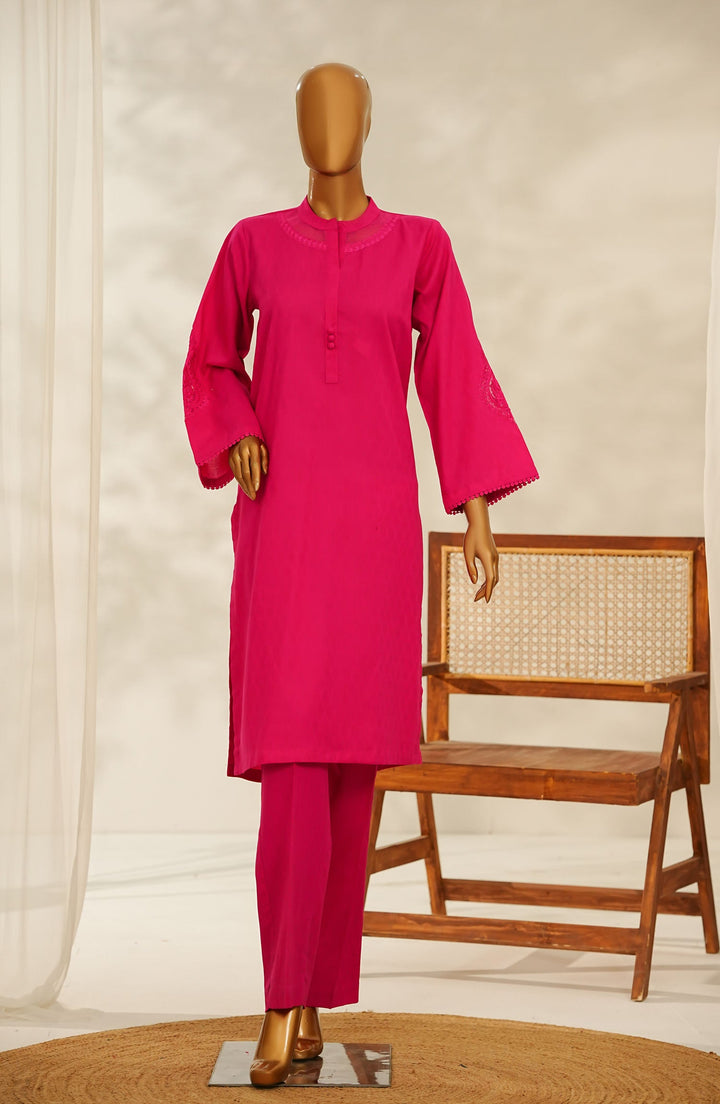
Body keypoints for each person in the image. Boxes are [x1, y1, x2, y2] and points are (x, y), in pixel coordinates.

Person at [182, 61, 539, 1087]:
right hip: (286, 529)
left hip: (375, 532)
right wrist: (238, 429)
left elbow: (453, 368)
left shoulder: (420, 245)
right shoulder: (252, 244)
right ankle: (277, 1000)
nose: (329, 124)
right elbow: (211, 359)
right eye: (312, 107)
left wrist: (475, 510)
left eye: (345, 107)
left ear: (370, 121)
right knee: (294, 764)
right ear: (296, 123)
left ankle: (309, 1004)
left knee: (347, 775)